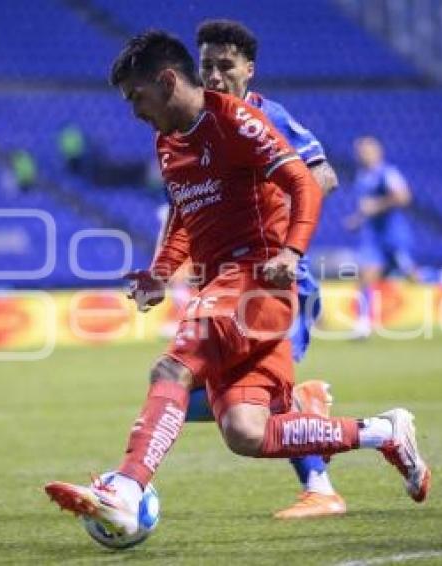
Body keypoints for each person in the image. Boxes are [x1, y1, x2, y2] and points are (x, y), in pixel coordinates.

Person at [44, 31, 430, 537]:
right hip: (220, 283)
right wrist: (162, 271)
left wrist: (289, 251)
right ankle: (383, 432)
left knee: (172, 368)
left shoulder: (238, 119)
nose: (133, 110)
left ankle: (127, 487)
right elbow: (185, 212)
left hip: (255, 278)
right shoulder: (168, 141)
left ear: (165, 82)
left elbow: (305, 180)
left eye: (136, 96)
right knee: (245, 432)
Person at [179, 19, 343, 519]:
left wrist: (284, 246)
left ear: (248, 69)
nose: (213, 76)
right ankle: (306, 407)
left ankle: (321, 488)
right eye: (206, 65)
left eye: (225, 66)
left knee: (262, 403)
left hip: (278, 283)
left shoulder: (265, 115)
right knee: (191, 404)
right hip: (233, 286)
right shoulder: (199, 128)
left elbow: (323, 176)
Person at [344, 137, 416, 338]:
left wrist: (377, 205)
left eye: (366, 150)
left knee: (412, 276)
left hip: (393, 235)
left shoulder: (388, 173)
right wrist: (357, 220)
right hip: (373, 238)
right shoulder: (361, 176)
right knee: (366, 277)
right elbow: (366, 208)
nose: (362, 155)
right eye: (360, 151)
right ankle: (363, 324)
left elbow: (403, 197)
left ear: (378, 152)